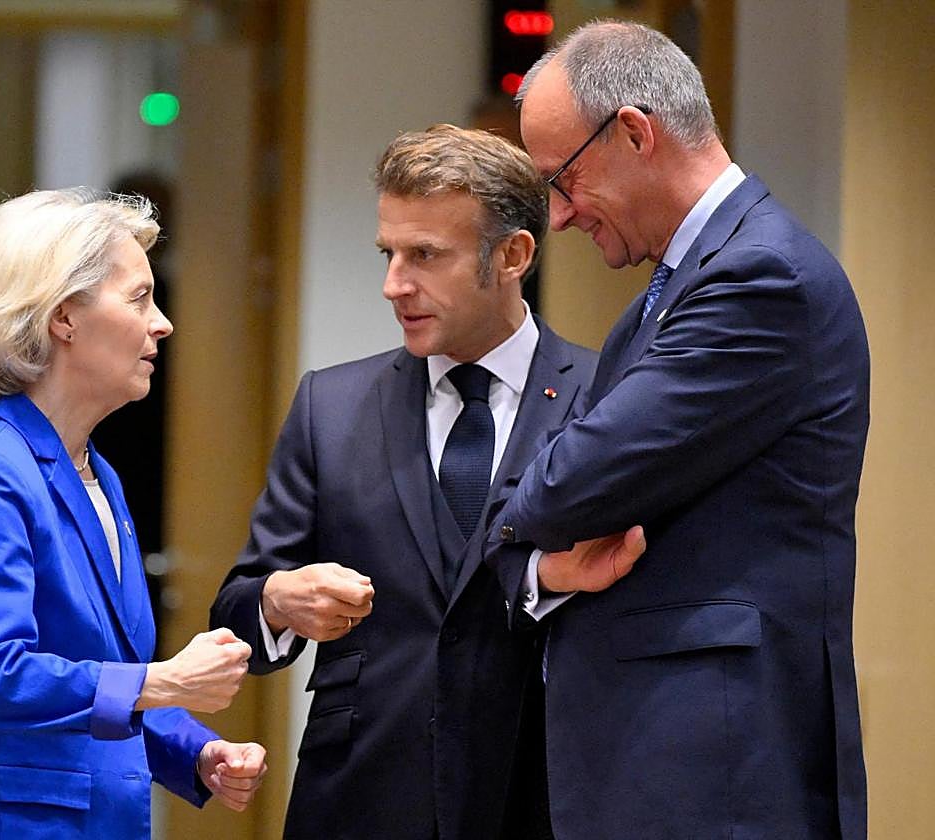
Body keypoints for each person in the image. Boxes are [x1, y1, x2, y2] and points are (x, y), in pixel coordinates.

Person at [484, 21, 870, 839]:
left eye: (563, 179)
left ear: (633, 131)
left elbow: (560, 486)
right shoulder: (668, 293)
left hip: (718, 779)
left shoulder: (759, 278)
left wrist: (530, 514)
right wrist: (544, 547)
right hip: (669, 767)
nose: (557, 219)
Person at [211, 124, 617, 839]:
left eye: (425, 255)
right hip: (362, 797)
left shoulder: (605, 398)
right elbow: (238, 605)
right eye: (389, 254)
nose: (394, 284)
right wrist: (278, 600)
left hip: (544, 796)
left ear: (514, 255)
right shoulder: (329, 406)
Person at [0, 188, 267, 839]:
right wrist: (165, 681)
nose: (163, 322)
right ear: (64, 318)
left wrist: (195, 751)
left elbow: (95, 671)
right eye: (139, 298)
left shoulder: (99, 475)